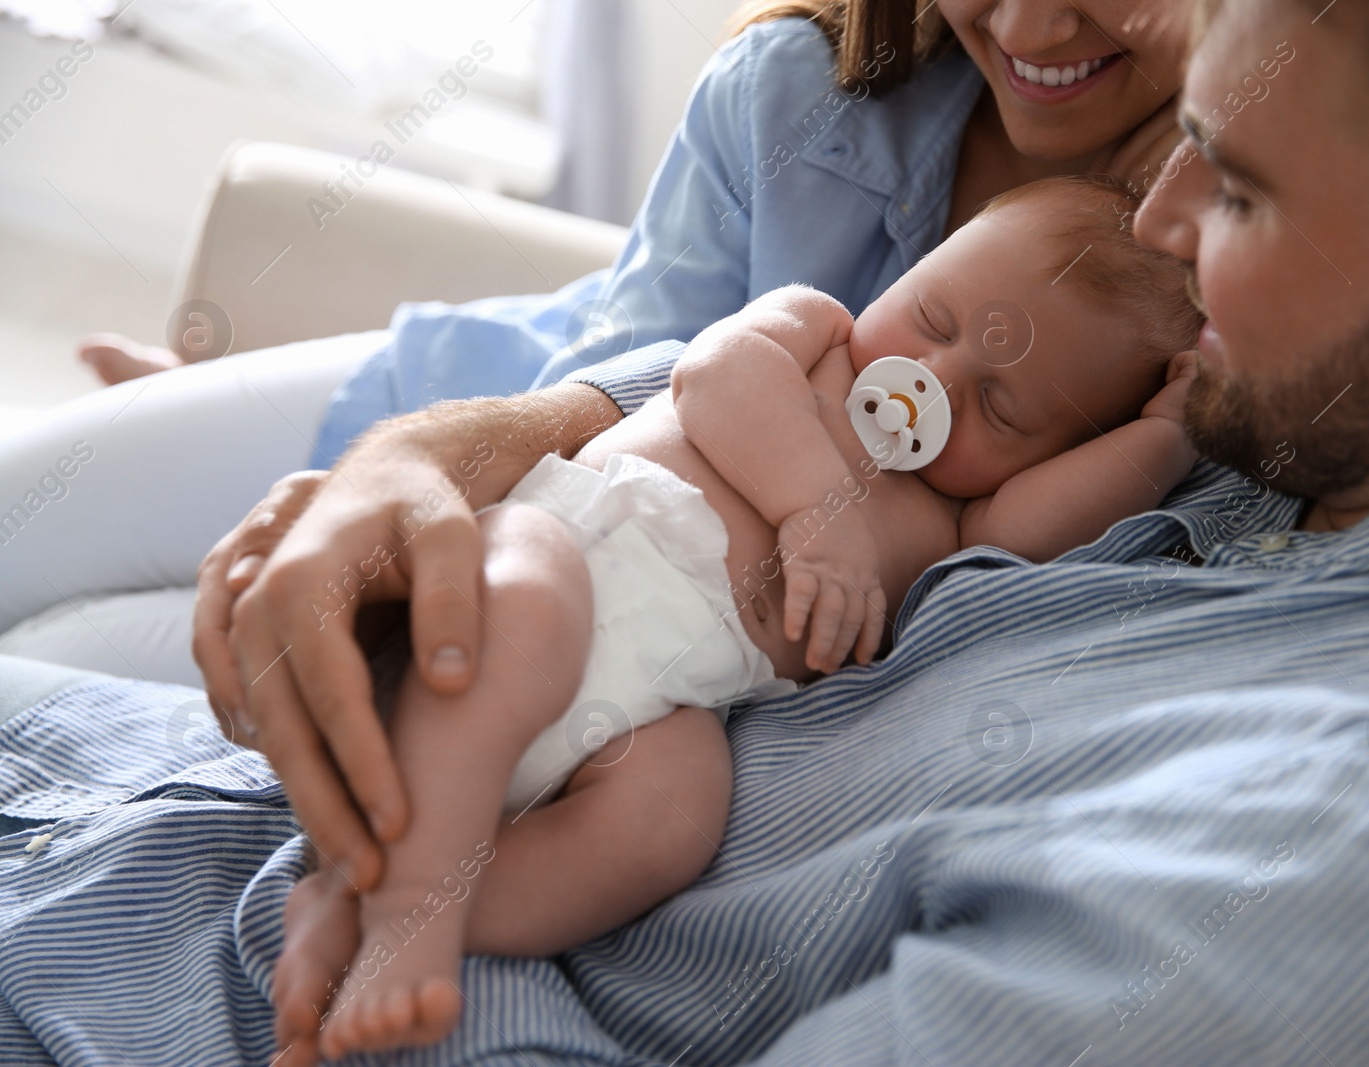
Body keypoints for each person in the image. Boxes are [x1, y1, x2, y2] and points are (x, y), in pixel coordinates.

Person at [4, 0, 1369, 1062]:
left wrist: (405, 899)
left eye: (1236, 192)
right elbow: (690, 384)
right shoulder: (1318, 407)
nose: (1162, 224)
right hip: (144, 807)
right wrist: (416, 460)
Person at [275, 175, 1201, 1061]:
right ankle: (412, 911)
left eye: (1000, 407)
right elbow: (711, 375)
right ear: (914, 270)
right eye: (934, 316)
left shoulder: (957, 522)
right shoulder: (816, 334)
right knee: (534, 596)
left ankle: (365, 904)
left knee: (671, 821)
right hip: (559, 555)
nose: (932, 379)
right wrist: (809, 502)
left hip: (652, 710)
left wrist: (1168, 436)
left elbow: (1045, 526)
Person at [0, 0, 1188, 685]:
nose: (1032, 23)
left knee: (64, 652)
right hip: (481, 406)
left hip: (566, 610)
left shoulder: (1233, 305)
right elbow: (620, 370)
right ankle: (214, 391)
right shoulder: (796, 94)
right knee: (28, 515)